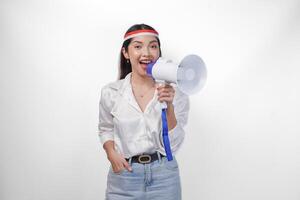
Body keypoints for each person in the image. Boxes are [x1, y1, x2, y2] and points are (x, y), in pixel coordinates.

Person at [98, 23, 190, 200]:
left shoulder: (176, 93)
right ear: (126, 53)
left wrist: (169, 106)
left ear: (159, 53)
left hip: (165, 177)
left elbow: (174, 145)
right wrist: (111, 154)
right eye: (138, 46)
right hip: (123, 178)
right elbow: (105, 128)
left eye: (153, 46)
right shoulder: (111, 93)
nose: (146, 53)